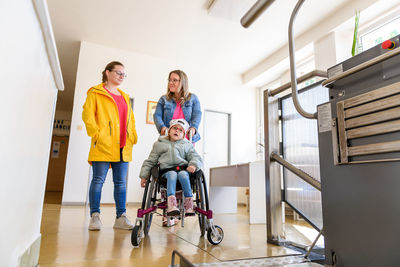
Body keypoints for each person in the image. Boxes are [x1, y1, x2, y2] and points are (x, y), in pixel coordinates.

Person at [82, 61, 138, 231]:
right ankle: (95, 216)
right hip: (104, 144)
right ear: (107, 72)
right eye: (118, 73)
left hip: (123, 146)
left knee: (120, 183)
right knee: (98, 180)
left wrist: (133, 136)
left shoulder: (125, 96)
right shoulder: (95, 92)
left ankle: (120, 217)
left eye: (123, 74)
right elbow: (88, 114)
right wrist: (96, 133)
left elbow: (131, 120)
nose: (122, 76)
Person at [139, 119, 202, 219]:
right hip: (166, 172)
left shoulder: (187, 145)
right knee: (172, 174)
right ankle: (171, 204)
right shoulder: (159, 144)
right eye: (175, 128)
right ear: (169, 130)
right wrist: (144, 176)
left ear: (184, 134)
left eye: (180, 130)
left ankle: (189, 204)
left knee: (183, 174)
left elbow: (196, 157)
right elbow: (151, 161)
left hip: (183, 171)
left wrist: (193, 165)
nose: (177, 131)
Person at [153, 70, 202, 142]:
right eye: (169, 80)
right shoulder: (164, 99)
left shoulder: (193, 98)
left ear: (182, 82)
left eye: (174, 80)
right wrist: (161, 128)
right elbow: (157, 115)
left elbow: (197, 114)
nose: (170, 83)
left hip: (186, 141)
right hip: (168, 140)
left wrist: (194, 128)